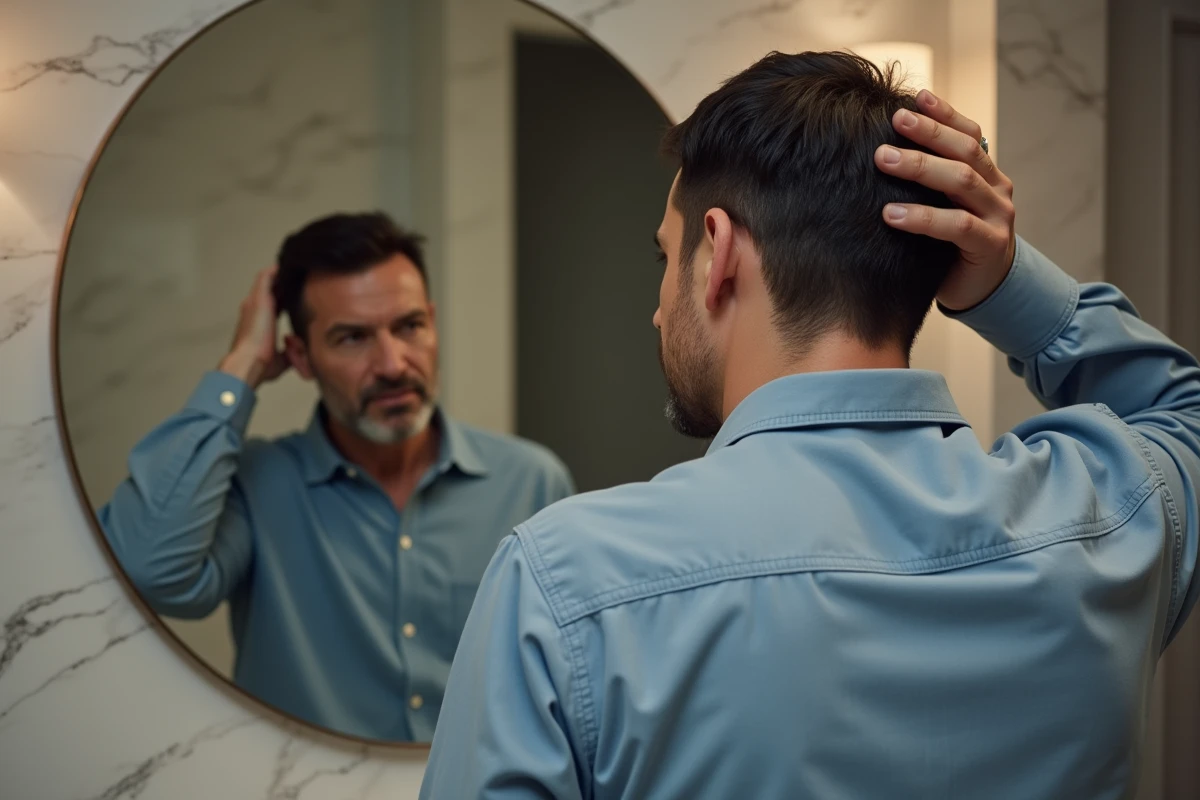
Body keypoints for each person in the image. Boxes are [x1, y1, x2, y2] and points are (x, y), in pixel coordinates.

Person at [421, 51, 1200, 799]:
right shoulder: (1103, 518)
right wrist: (1007, 283)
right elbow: (1181, 413)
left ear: (717, 252)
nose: (659, 310)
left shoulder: (567, 585)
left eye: (665, 259)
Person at [100, 212, 574, 742]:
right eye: (353, 338)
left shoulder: (531, 482)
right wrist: (241, 366)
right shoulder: (255, 486)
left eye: (409, 326)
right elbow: (147, 571)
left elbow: (569, 672)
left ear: (433, 323)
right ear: (300, 356)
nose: (393, 363)